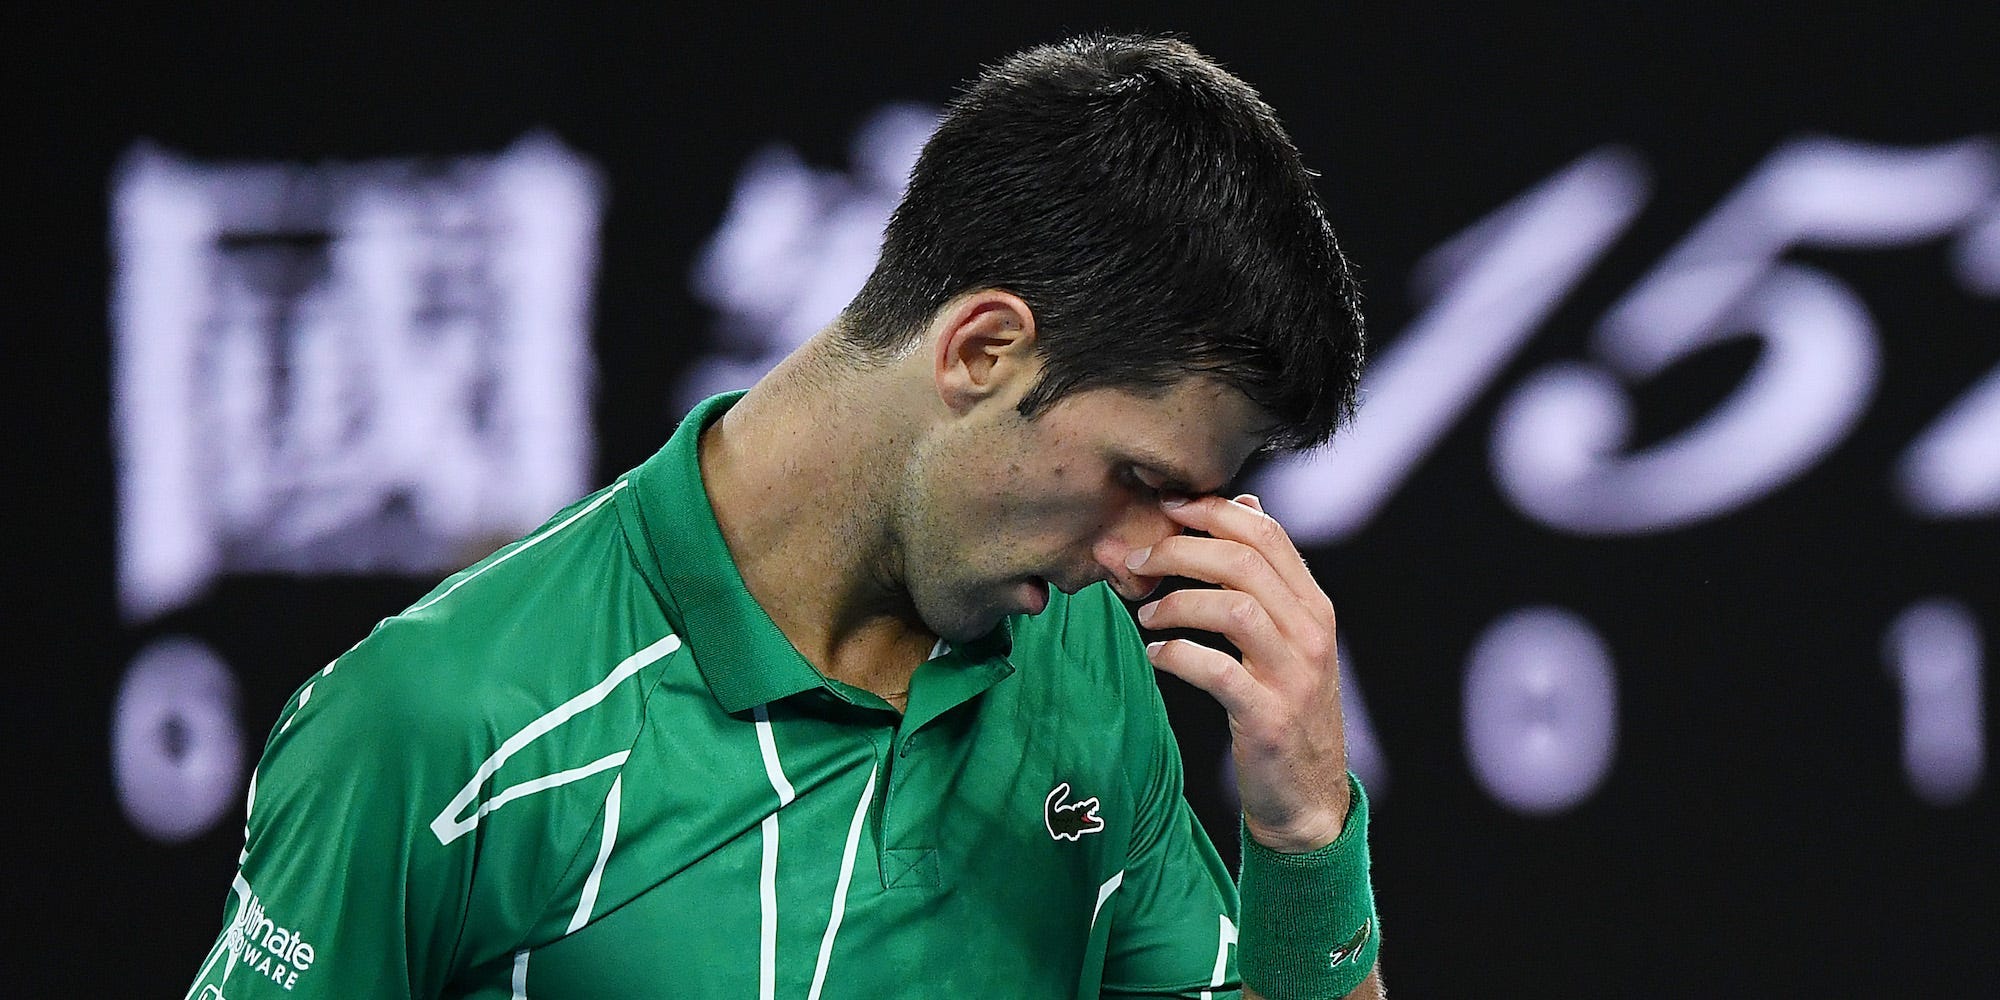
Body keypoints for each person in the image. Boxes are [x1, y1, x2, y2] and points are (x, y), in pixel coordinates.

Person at [186, 33, 1381, 999]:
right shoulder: (436, 722)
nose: (1136, 560)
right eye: (1138, 479)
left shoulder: (1086, 671)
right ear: (982, 349)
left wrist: (1303, 829)